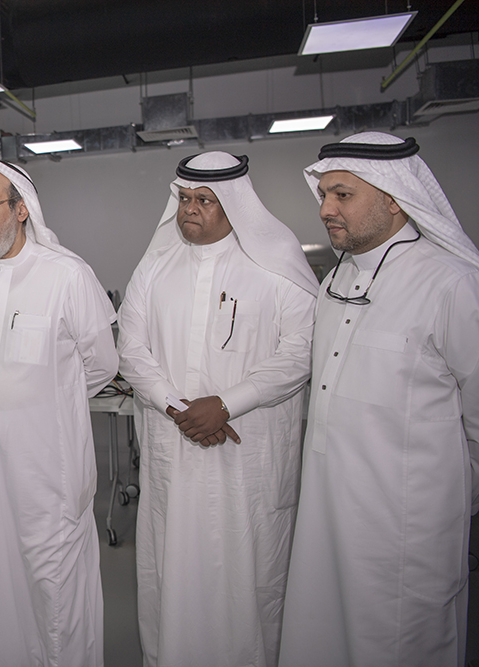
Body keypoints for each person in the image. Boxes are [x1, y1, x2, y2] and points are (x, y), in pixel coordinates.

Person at [278, 133, 479, 667]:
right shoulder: (335, 282)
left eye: (342, 195)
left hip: (406, 526)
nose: (325, 209)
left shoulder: (453, 284)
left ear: (394, 197)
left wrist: (449, 501)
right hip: (325, 513)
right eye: (324, 195)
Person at [117, 152, 319, 667]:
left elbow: (301, 351)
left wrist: (227, 404)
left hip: (246, 461)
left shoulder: (276, 265)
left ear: (234, 204)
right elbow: (131, 349)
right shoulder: (155, 266)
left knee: (246, 577)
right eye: (184, 198)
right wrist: (178, 408)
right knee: (171, 568)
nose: (190, 209)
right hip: (173, 451)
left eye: (204, 200)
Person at [0, 157, 118, 667]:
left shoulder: (66, 275)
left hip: (47, 474)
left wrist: (48, 402)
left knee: (55, 591)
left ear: (22, 210)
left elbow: (102, 365)